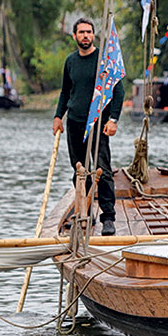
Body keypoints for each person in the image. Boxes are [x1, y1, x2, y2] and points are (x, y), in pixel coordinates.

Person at [53, 18, 124, 236]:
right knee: (79, 170)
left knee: (103, 169)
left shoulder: (104, 62)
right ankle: (85, 211)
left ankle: (108, 217)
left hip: (98, 122)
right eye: (82, 32)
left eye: (89, 32)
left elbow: (118, 90)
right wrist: (58, 116)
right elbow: (66, 92)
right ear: (74, 36)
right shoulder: (70, 61)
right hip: (75, 121)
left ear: (94, 35)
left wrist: (113, 119)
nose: (86, 35)